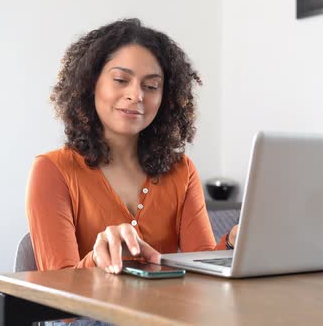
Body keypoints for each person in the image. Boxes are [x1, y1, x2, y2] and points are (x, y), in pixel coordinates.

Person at [26, 18, 239, 277]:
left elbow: (204, 273)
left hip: (163, 313)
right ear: (91, 84)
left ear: (166, 98)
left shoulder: (181, 171)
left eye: (151, 86)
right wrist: (98, 257)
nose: (137, 95)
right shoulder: (53, 170)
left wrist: (232, 241)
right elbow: (58, 299)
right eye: (120, 79)